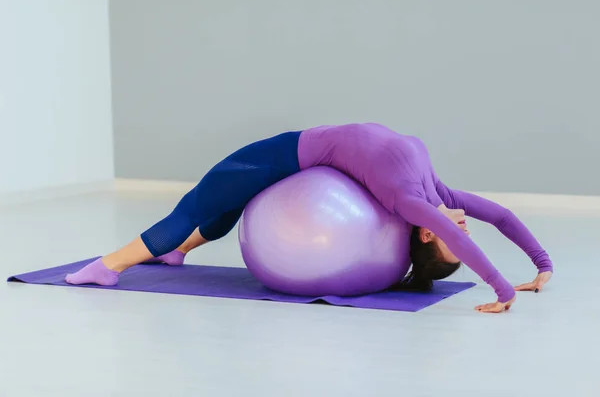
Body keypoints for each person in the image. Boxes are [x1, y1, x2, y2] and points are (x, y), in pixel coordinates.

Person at [65, 123, 553, 312]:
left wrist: (502, 291)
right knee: (222, 209)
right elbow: (500, 214)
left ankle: (110, 266)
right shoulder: (441, 193)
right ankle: (177, 250)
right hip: (290, 150)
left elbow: (460, 231)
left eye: (453, 237)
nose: (461, 225)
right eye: (460, 233)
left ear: (427, 233)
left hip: (280, 158)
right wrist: (541, 264)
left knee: (196, 206)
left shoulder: (414, 204)